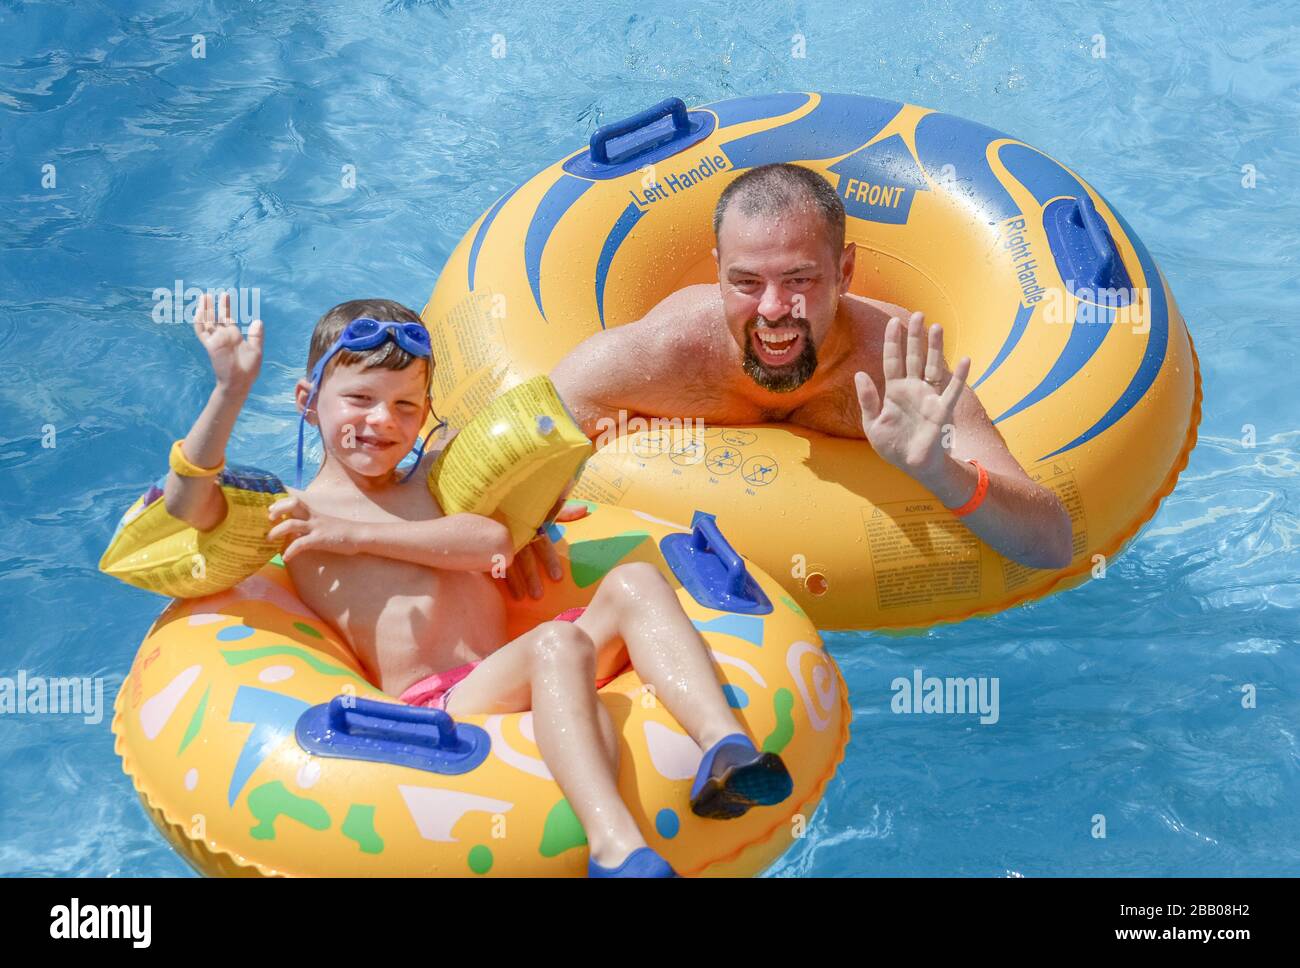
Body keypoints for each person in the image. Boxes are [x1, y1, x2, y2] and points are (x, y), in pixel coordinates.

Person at [162, 292, 793, 878]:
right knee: (557, 646)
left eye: (406, 406)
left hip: (527, 665)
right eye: (359, 399)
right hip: (444, 704)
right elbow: (188, 504)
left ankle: (725, 749)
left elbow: (491, 541)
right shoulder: (292, 517)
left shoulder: (437, 480)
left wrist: (536, 517)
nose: (383, 420)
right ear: (307, 399)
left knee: (634, 582)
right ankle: (616, 849)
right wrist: (230, 389)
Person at [551, 163, 1073, 569]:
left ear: (844, 272)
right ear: (717, 274)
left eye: (800, 280)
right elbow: (506, 440)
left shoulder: (902, 371)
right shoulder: (656, 355)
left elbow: (1050, 543)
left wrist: (939, 469)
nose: (774, 308)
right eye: (747, 282)